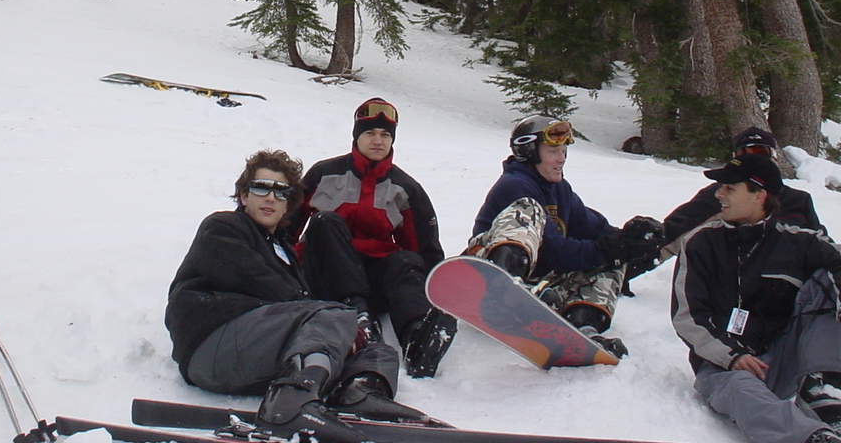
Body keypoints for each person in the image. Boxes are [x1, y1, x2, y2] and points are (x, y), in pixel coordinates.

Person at [165, 149, 424, 443]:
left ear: (289, 204)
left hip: (257, 355)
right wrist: (329, 316)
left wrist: (348, 333)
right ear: (244, 196)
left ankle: (360, 392)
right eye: (261, 188)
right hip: (212, 346)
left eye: (281, 192)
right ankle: (290, 405)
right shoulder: (224, 227)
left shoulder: (285, 252)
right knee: (334, 317)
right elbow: (255, 279)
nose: (271, 198)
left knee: (373, 343)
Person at [656, 127, 841, 335]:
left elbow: (826, 249)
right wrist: (632, 261)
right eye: (745, 152)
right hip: (767, 301)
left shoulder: (797, 200)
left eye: (759, 151)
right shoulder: (721, 198)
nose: (753, 156)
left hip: (810, 281)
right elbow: (670, 236)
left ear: (773, 157)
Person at [671, 154, 841, 443]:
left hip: (784, 359)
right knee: (741, 391)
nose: (719, 194)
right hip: (724, 366)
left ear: (759, 195)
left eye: (730, 188)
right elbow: (687, 317)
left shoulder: (796, 240)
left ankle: (818, 389)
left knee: (827, 282)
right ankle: (812, 438)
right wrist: (732, 356)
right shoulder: (700, 243)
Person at [466, 114, 664, 358]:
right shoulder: (515, 185)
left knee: (612, 257)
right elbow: (554, 251)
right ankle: (507, 287)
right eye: (552, 151)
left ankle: (583, 327)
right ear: (529, 152)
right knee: (529, 209)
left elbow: (594, 229)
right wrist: (608, 248)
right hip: (484, 275)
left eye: (563, 151)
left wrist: (629, 240)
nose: (561, 158)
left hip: (539, 286)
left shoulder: (560, 189)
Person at [293, 98, 456, 378]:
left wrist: (432, 286)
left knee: (405, 260)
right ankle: (357, 316)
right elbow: (286, 224)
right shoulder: (324, 174)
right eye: (370, 133)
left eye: (385, 135)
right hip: (324, 275)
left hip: (372, 279)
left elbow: (423, 248)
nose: (378, 141)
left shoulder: (405, 188)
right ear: (356, 136)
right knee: (326, 222)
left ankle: (417, 335)